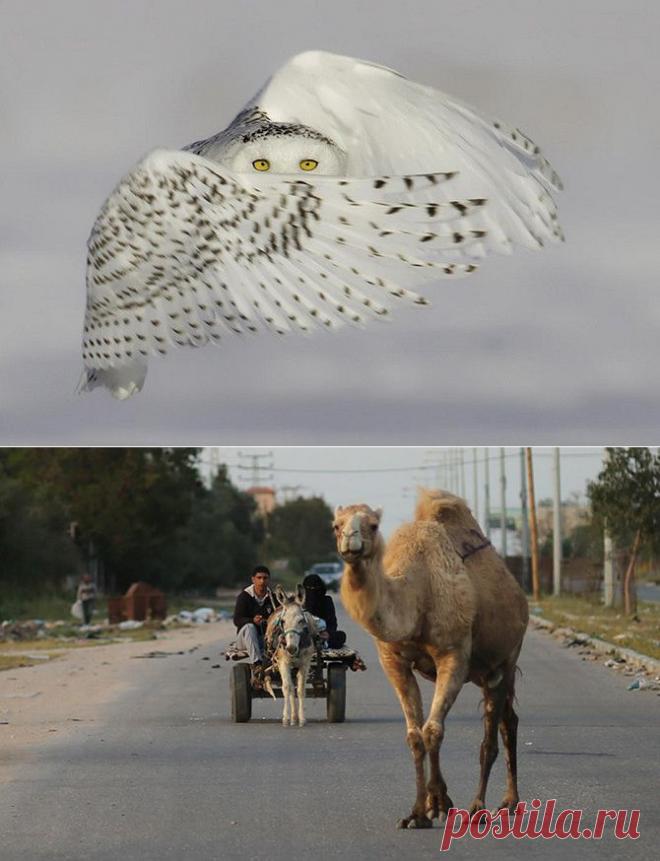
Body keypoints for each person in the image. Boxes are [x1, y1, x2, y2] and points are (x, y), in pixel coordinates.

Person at [233, 565, 276, 685]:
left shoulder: (273, 598)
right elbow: (237, 620)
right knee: (249, 627)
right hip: (246, 639)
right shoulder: (244, 597)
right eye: (259, 578)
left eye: (265, 578)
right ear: (253, 579)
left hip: (265, 640)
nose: (262, 581)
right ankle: (257, 664)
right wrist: (252, 620)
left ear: (269, 579)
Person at [302, 574, 346, 648]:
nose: (313, 593)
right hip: (305, 636)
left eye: (315, 589)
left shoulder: (327, 601)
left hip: (323, 635)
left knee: (341, 635)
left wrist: (328, 633)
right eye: (310, 589)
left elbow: (332, 622)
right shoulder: (300, 602)